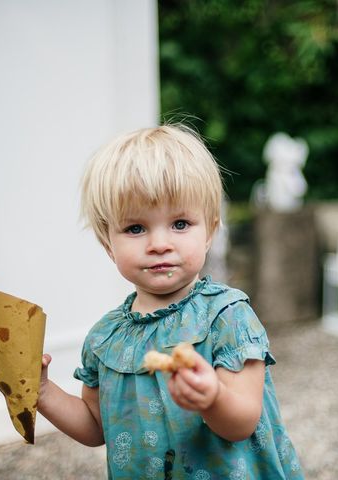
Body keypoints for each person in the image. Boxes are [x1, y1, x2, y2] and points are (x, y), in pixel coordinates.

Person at [37, 124, 304, 479]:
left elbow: (242, 421)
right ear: (107, 243)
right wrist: (40, 391)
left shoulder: (226, 317)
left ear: (209, 232)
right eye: (135, 228)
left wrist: (213, 399)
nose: (159, 243)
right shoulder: (105, 339)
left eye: (180, 223)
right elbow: (95, 427)